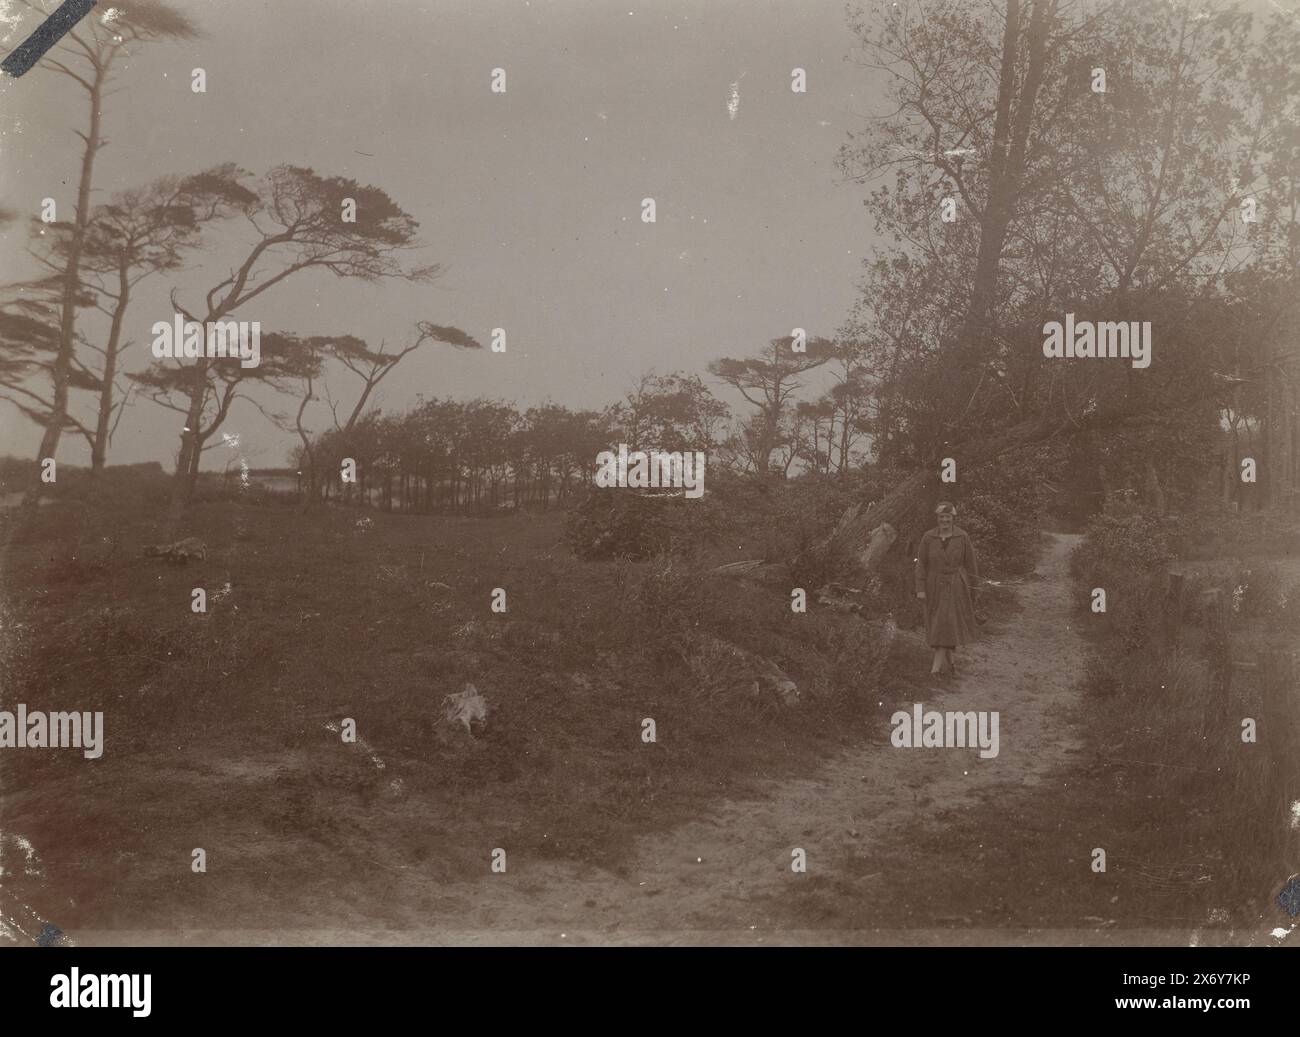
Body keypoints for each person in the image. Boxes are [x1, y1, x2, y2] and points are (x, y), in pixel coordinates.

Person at [914, 501, 980, 677]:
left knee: (943, 623)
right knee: (942, 624)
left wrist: (974, 590)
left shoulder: (962, 537)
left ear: (953, 518)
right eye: (941, 517)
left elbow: (971, 565)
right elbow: (921, 564)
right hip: (933, 585)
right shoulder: (928, 537)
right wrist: (920, 588)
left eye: (948, 517)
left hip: (956, 585)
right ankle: (951, 666)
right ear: (937, 518)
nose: (945, 520)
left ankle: (935, 670)